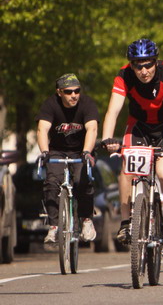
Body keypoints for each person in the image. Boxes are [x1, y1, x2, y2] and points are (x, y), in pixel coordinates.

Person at [100, 38, 163, 248]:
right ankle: (125, 223)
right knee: (127, 169)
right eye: (138, 66)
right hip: (138, 127)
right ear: (131, 65)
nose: (144, 71)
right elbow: (113, 110)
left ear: (155, 62)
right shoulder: (123, 75)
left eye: (148, 65)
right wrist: (107, 138)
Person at [36, 73, 99, 244]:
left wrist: (87, 152)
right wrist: (44, 152)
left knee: (81, 180)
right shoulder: (50, 104)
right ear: (59, 92)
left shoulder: (87, 104)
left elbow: (92, 129)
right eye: (69, 92)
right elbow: (42, 129)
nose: (74, 95)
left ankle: (86, 220)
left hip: (81, 150)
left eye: (77, 91)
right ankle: (53, 227)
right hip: (57, 151)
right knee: (51, 182)